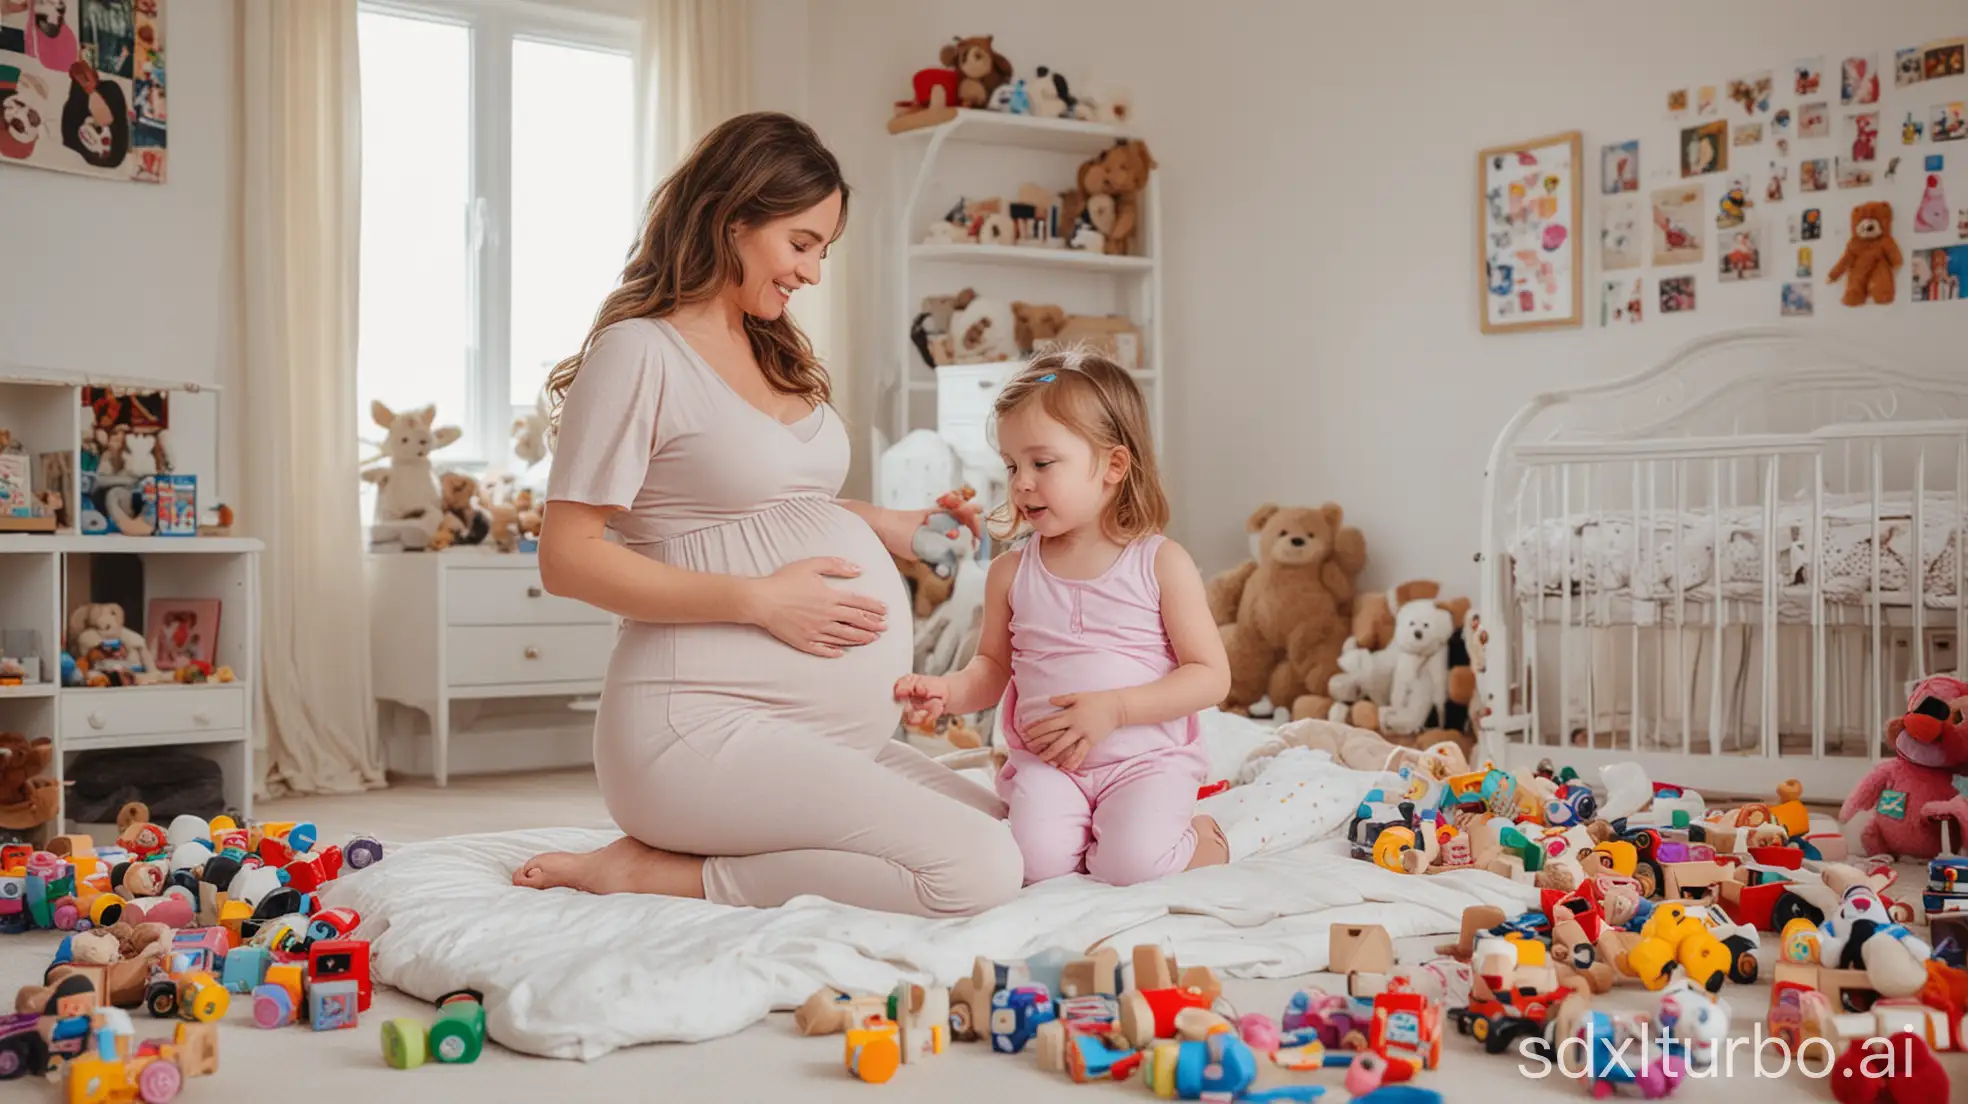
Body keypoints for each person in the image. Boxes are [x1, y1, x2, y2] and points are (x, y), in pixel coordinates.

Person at [511, 112, 1024, 918]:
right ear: (732, 218)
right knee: (978, 870)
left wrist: (889, 526)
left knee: (1018, 834)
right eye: (801, 242)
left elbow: (769, 507)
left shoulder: (769, 346)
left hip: (819, 736)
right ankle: (657, 870)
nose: (813, 272)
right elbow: (567, 556)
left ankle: (719, 848)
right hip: (694, 730)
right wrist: (759, 600)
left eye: (823, 249)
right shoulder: (641, 351)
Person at [894, 354, 1232, 887]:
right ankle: (1089, 830)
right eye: (1011, 466)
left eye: (1042, 463)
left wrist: (1117, 709)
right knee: (1032, 865)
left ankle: (1204, 836)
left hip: (1146, 761)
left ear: (1113, 467)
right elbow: (990, 668)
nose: (1022, 483)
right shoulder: (1009, 572)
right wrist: (946, 694)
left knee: (1132, 865)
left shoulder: (1161, 563)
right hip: (1048, 764)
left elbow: (1212, 676)